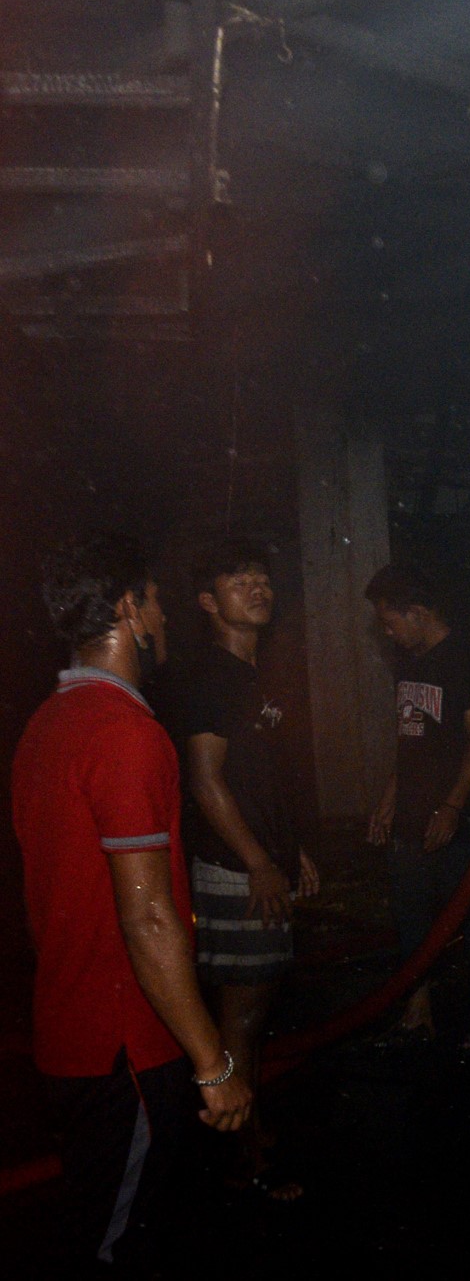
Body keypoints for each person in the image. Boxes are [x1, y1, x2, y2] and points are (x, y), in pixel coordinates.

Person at [14, 534, 251, 1271]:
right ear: (129, 608)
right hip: (127, 1047)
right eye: (156, 602)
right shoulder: (127, 733)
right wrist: (214, 1064)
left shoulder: (47, 723)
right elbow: (146, 917)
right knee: (119, 1245)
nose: (166, 620)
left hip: (70, 1034)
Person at [171, 538, 319, 1200]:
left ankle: (249, 1134)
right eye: (238, 578)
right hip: (235, 873)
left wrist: (293, 853)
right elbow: (205, 783)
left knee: (255, 1016)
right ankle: (243, 1163)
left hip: (260, 866)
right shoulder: (211, 677)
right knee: (238, 1020)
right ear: (209, 601)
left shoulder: (255, 674)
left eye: (262, 574)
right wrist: (260, 862)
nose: (258, 585)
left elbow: (260, 782)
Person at [363, 563, 470, 1046]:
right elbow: (411, 734)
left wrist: (452, 806)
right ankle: (417, 1009)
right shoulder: (408, 660)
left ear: (417, 613)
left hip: (457, 814)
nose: (387, 631)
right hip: (411, 811)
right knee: (410, 910)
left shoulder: (463, 657)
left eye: (390, 621)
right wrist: (389, 798)